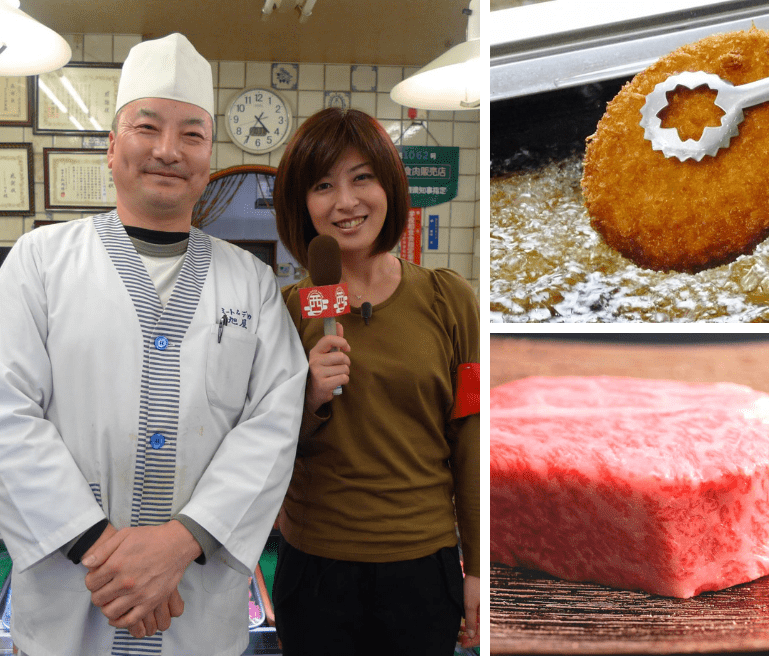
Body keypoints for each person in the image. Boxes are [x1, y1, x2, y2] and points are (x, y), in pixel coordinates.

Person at [0, 33, 308, 656]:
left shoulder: (248, 281)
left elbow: (275, 419)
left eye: (192, 134)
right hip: (72, 602)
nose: (169, 150)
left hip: (195, 608)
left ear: (208, 158)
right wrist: (102, 552)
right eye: (148, 128)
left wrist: (179, 543)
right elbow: (7, 410)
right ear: (112, 148)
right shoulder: (39, 261)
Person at [272, 107, 480, 655]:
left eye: (362, 177)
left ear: (390, 185)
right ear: (303, 204)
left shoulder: (449, 299)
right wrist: (309, 396)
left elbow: (473, 435)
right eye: (323, 185)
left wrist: (479, 566)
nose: (346, 202)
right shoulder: (287, 312)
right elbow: (261, 445)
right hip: (314, 565)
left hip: (422, 564)